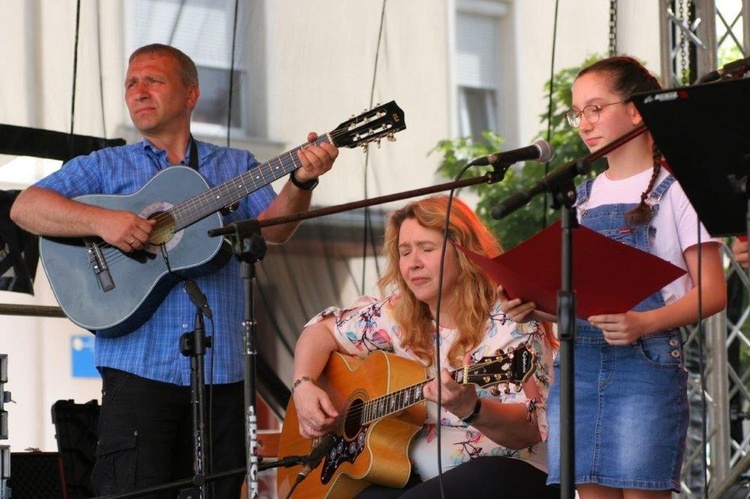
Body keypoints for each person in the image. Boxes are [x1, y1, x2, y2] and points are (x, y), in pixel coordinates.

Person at [10, 44, 339, 498]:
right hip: (138, 372)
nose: (139, 92)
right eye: (131, 83)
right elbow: (27, 207)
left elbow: (275, 231)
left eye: (153, 81)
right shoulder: (108, 166)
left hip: (222, 372)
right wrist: (102, 222)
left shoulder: (235, 167)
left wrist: (302, 180)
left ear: (190, 95)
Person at [499, 55, 727, 498]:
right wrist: (538, 307)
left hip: (646, 365)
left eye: (596, 108)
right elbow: (586, 301)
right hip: (579, 367)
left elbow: (713, 293)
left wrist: (644, 322)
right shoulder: (581, 198)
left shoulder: (679, 190)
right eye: (577, 112)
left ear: (637, 110)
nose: (584, 123)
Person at [289, 195, 560, 498]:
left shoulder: (514, 320)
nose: (413, 263)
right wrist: (304, 384)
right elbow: (320, 332)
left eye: (427, 249)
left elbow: (530, 429)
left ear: (463, 253)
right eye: (405, 252)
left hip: (508, 474)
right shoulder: (395, 315)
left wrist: (472, 408)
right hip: (411, 472)